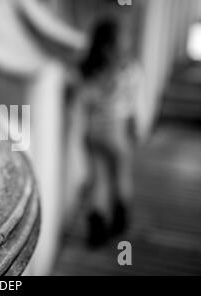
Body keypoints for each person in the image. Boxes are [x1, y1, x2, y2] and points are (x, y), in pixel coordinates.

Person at [79, 19, 140, 247]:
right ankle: (120, 220)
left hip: (93, 131)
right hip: (117, 130)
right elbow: (132, 106)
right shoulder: (128, 69)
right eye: (123, 38)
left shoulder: (89, 71)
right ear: (114, 44)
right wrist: (134, 130)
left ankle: (96, 230)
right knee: (122, 175)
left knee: (98, 179)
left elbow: (83, 101)